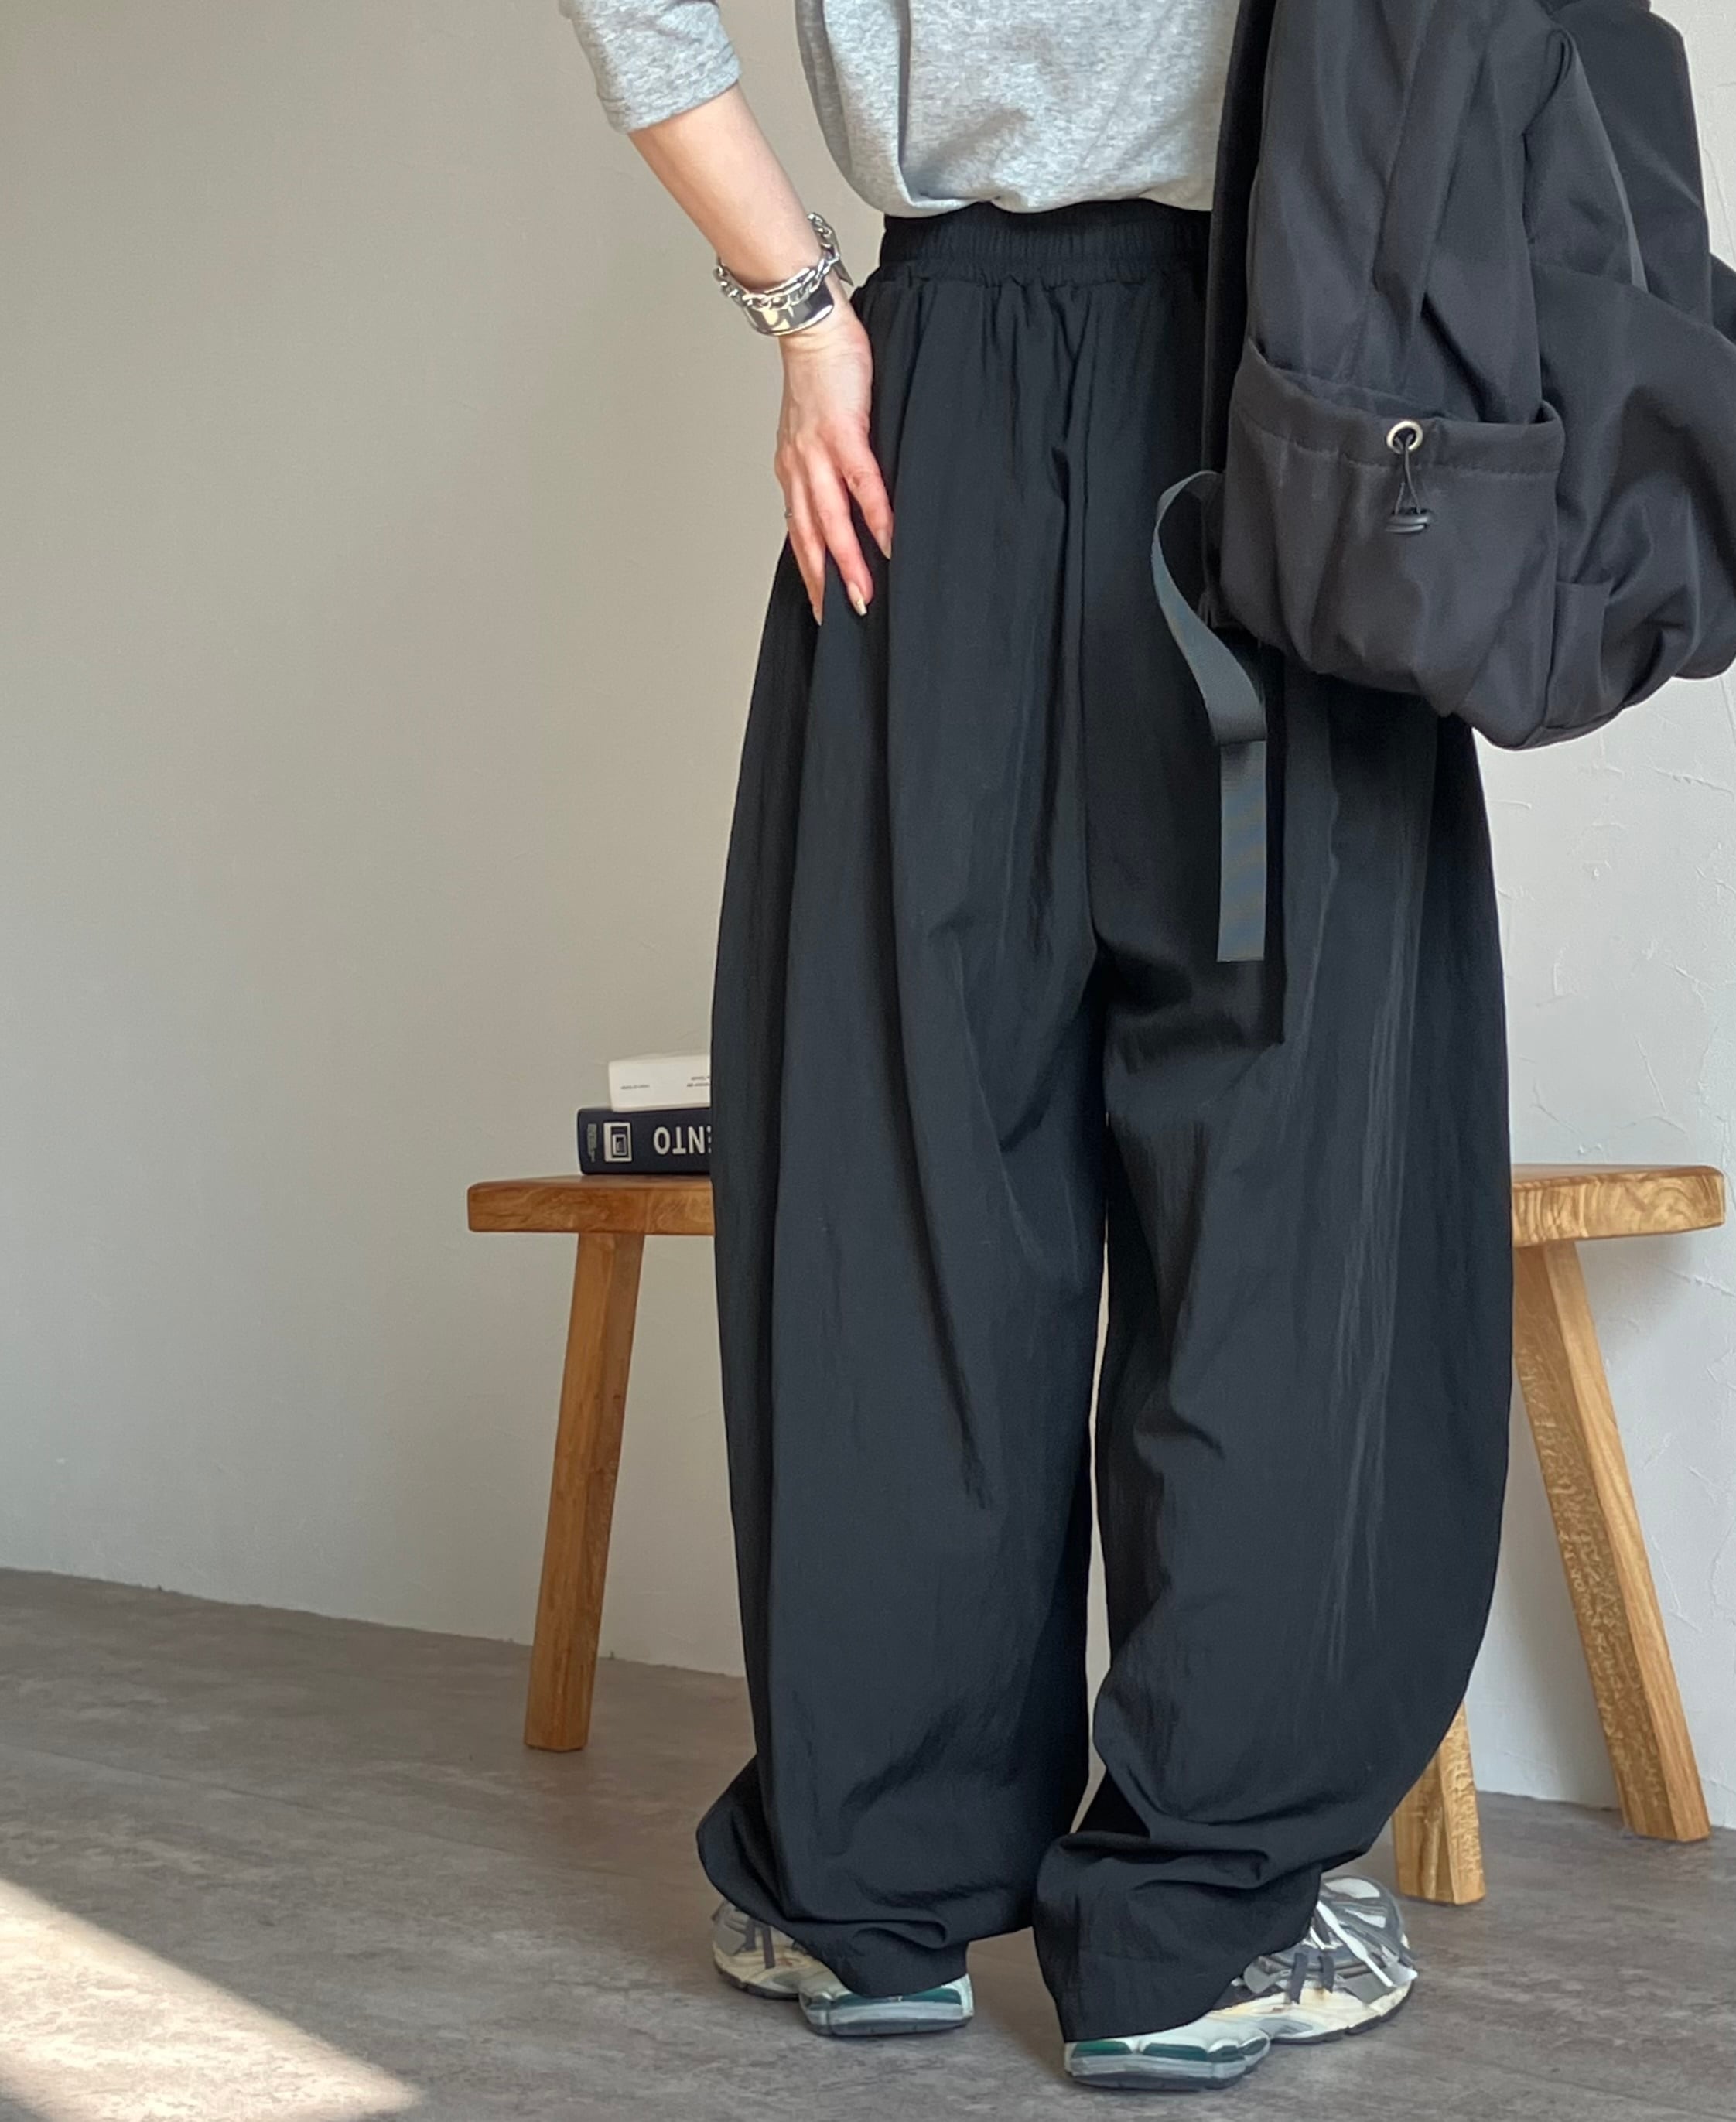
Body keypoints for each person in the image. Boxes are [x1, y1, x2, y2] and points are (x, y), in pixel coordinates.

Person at [559, 0, 1516, 2092]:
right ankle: (1196, 1925)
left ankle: (875, 1893)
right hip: (1294, 383)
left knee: (909, 1150)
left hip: (940, 401)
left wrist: (800, 309)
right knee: (1286, 1187)